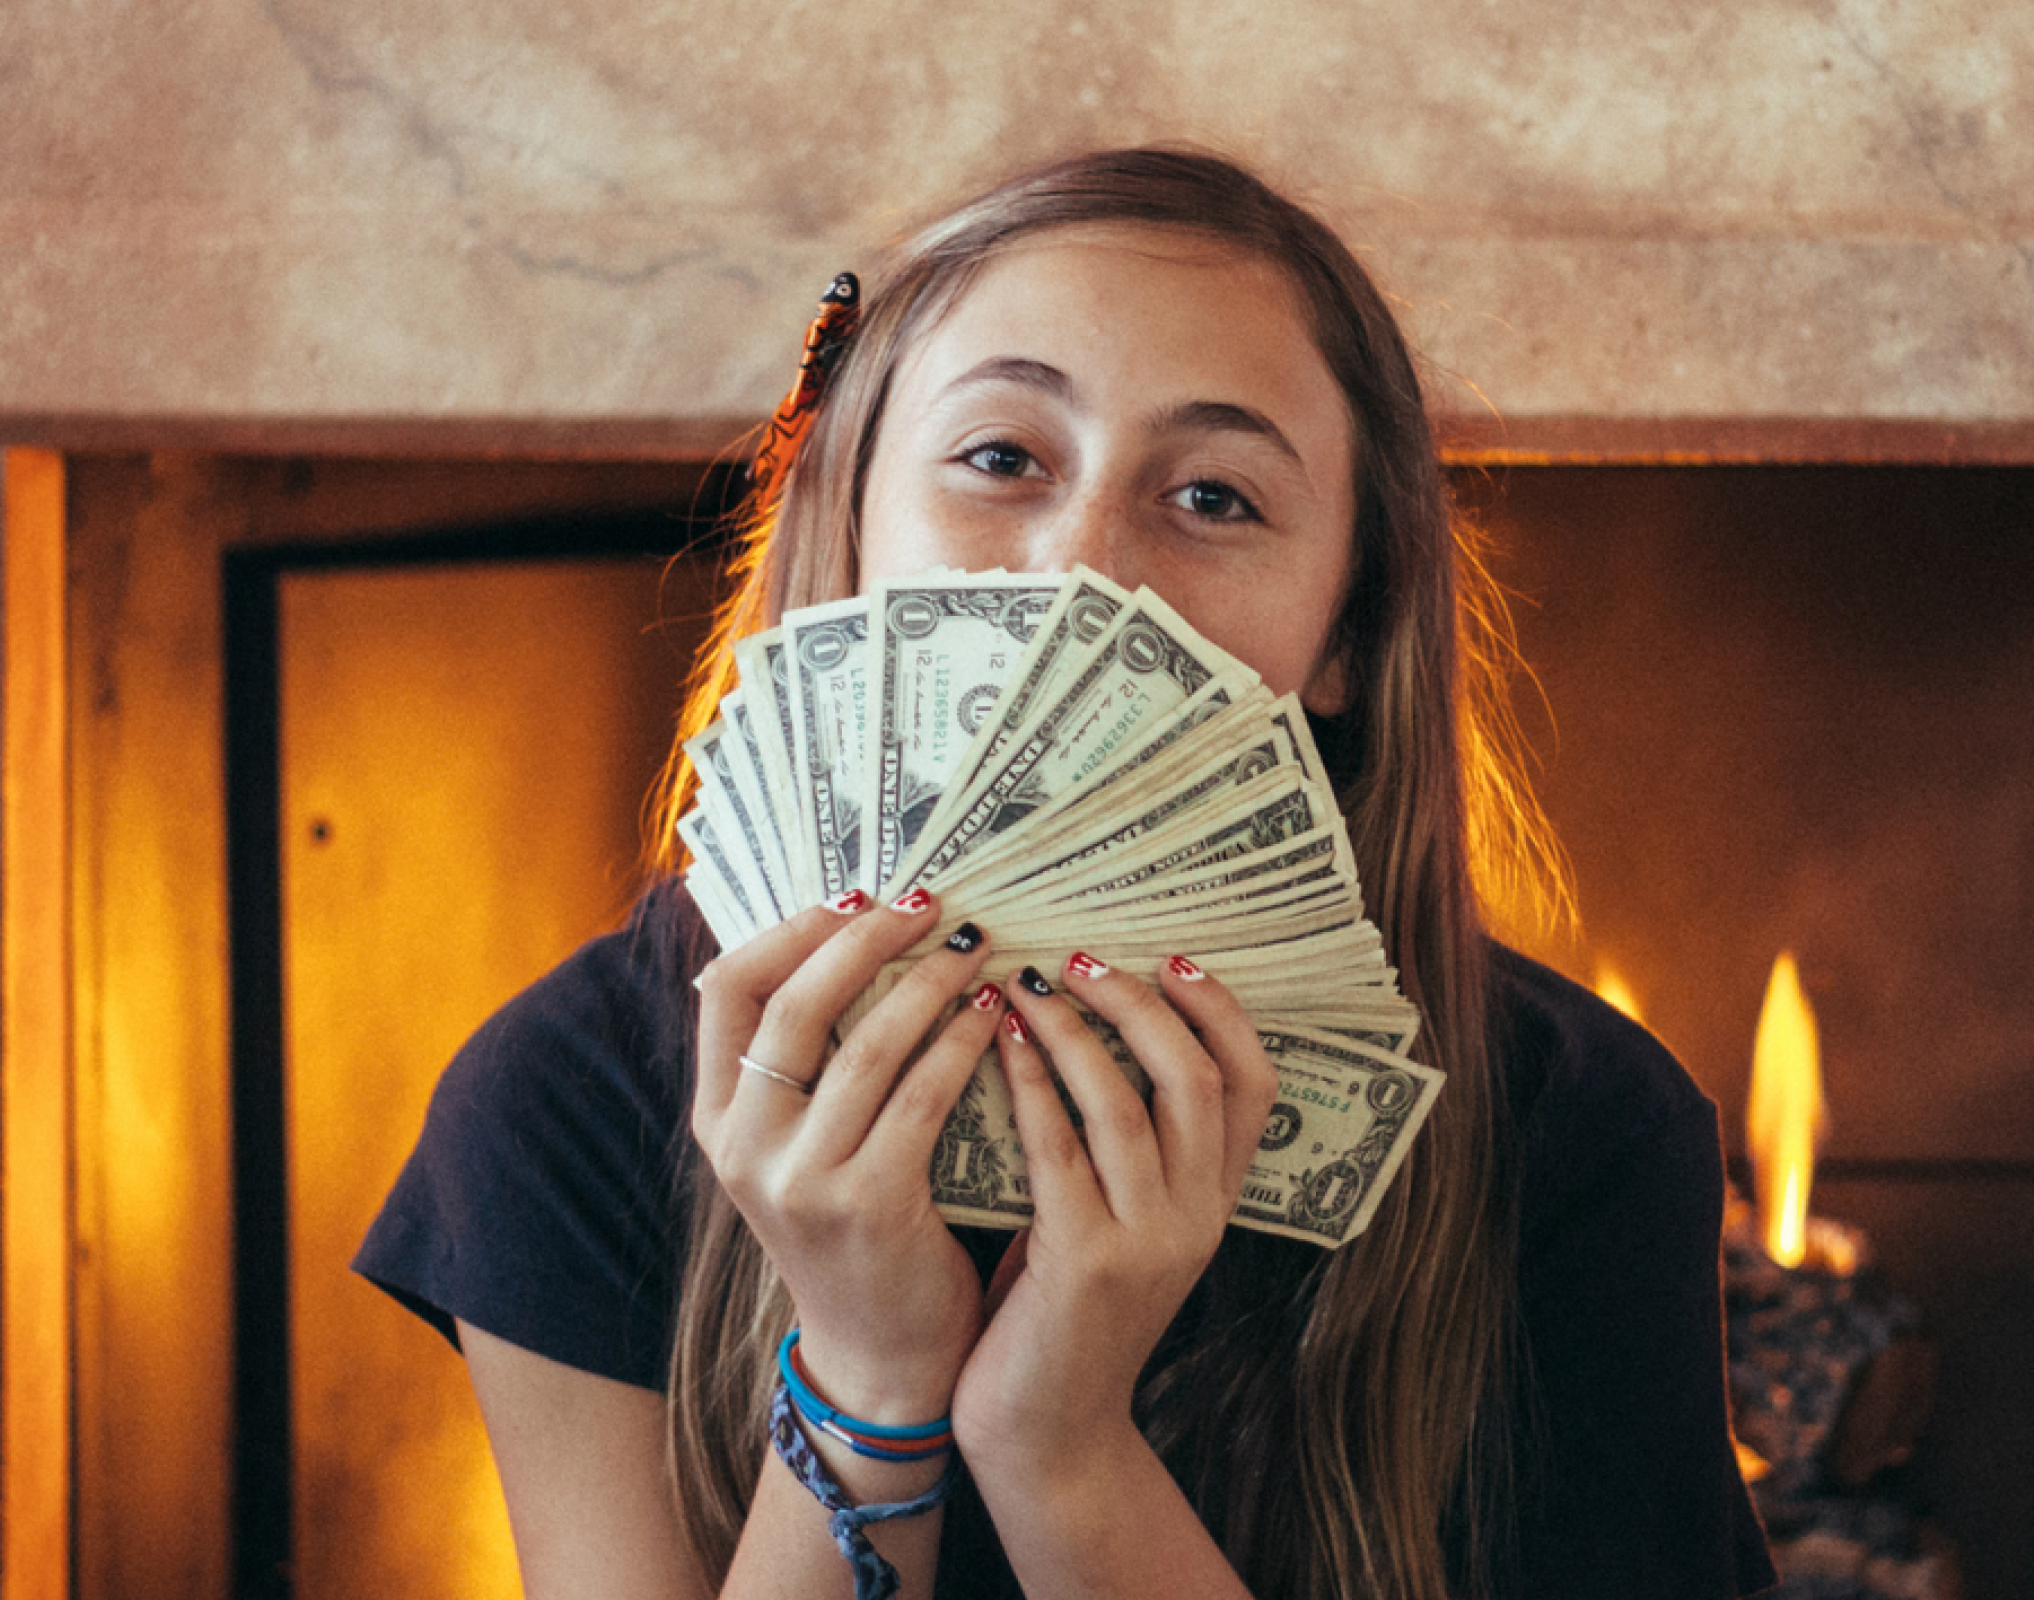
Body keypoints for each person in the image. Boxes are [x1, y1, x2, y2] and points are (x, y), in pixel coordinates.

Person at [357, 147, 1777, 1600]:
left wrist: (1059, 1442)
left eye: (1216, 497)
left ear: (1347, 637)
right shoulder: (570, 1094)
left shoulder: (1585, 1132)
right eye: (1000, 457)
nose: (1081, 568)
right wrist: (868, 1372)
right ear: (845, 534)